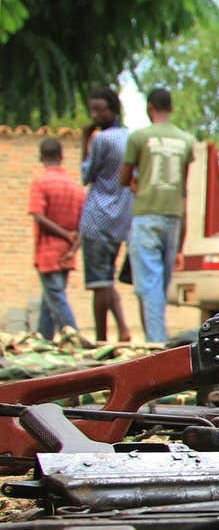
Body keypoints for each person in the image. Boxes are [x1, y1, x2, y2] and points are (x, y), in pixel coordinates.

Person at [119, 88, 194, 344]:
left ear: (150, 107)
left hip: (147, 213)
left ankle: (157, 342)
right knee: (160, 282)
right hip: (173, 215)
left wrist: (137, 182)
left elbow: (123, 178)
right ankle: (155, 335)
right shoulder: (185, 140)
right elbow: (184, 186)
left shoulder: (140, 137)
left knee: (149, 283)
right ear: (170, 108)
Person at [78, 87, 134, 343]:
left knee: (99, 282)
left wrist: (84, 142)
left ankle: (101, 338)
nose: (95, 114)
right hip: (121, 219)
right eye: (93, 109)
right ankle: (123, 327)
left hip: (97, 217)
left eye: (100, 109)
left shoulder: (101, 140)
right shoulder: (129, 137)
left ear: (112, 109)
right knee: (107, 278)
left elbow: (86, 175)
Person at [28, 138, 84, 339]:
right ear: (62, 157)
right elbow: (82, 227)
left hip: (48, 252)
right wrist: (72, 249)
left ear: (41, 157)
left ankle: (74, 337)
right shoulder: (76, 188)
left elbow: (38, 216)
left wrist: (64, 234)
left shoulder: (40, 183)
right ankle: (44, 338)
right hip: (66, 253)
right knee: (49, 299)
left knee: (57, 298)